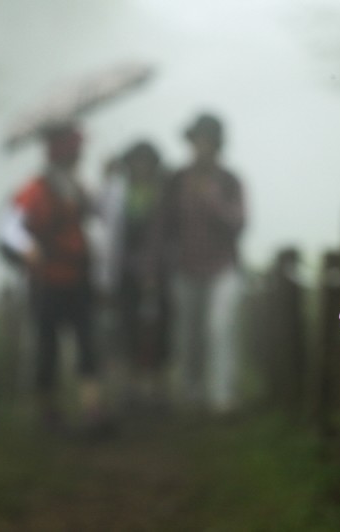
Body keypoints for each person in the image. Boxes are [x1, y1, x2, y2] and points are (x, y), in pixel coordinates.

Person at [0, 121, 107, 433]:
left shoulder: (78, 187)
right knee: (47, 348)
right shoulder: (35, 189)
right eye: (75, 152)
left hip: (78, 279)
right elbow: (8, 228)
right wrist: (28, 248)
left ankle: (91, 409)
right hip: (46, 281)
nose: (79, 158)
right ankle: (50, 410)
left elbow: (98, 217)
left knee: (87, 344)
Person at [156, 112, 246, 415]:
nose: (200, 147)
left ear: (217, 145)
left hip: (223, 269)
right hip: (185, 269)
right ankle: (192, 393)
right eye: (196, 141)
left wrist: (211, 200)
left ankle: (222, 397)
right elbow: (163, 225)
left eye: (206, 141)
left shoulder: (230, 181)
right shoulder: (176, 181)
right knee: (189, 334)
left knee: (220, 328)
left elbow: (238, 223)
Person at [99, 140, 169, 406]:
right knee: (127, 330)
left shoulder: (163, 192)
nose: (141, 167)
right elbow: (104, 224)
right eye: (136, 161)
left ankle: (156, 388)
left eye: (146, 162)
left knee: (158, 332)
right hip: (125, 275)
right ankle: (131, 388)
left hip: (159, 274)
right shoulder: (117, 191)